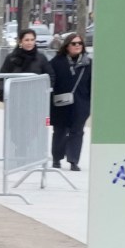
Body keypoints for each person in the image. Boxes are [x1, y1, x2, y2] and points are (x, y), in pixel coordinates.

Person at [48, 32, 92, 170]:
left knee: (77, 131)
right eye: (74, 43)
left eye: (80, 43)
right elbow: (51, 81)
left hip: (81, 103)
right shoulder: (56, 62)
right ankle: (57, 158)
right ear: (67, 46)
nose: (77, 45)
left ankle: (73, 160)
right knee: (60, 131)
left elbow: (92, 83)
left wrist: (88, 101)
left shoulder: (88, 64)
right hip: (61, 103)